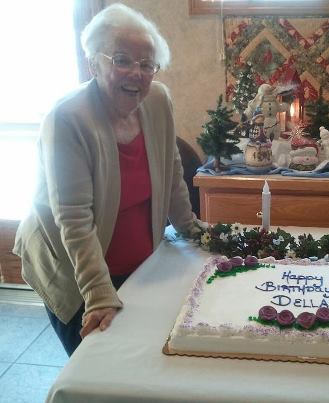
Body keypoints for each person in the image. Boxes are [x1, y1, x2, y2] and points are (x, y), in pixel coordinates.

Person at [13, 3, 196, 356]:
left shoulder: (158, 100)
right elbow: (74, 218)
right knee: (98, 366)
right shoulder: (68, 118)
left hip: (141, 269)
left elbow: (172, 171)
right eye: (122, 60)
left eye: (147, 64)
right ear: (93, 63)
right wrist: (97, 293)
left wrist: (190, 229)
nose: (137, 73)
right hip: (76, 270)